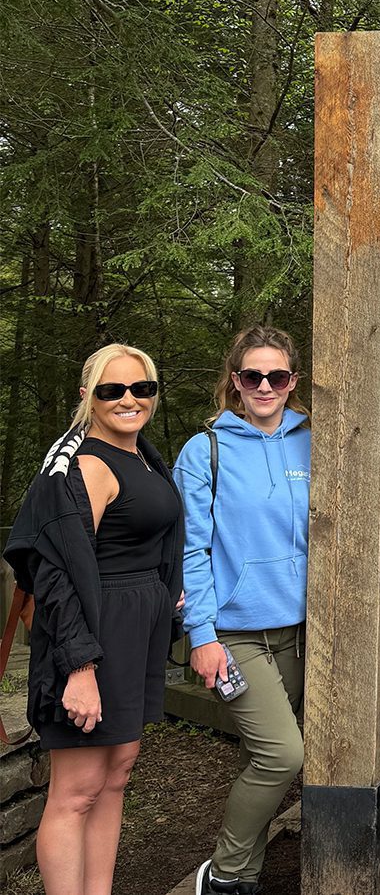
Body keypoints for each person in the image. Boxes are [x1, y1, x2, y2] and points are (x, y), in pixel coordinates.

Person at [4, 343, 184, 895]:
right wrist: (79, 667)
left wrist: (163, 592)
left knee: (116, 777)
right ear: (89, 397)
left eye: (142, 388)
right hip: (91, 637)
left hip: (135, 632)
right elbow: (55, 571)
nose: (129, 399)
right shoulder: (86, 465)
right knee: (76, 791)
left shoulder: (142, 457)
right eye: (112, 390)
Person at [175, 326, 311, 895]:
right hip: (233, 633)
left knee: (263, 757)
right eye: (251, 375)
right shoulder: (204, 449)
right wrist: (201, 634)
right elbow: (192, 549)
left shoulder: (314, 440)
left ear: (292, 381)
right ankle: (225, 875)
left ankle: (248, 876)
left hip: (304, 631)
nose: (264, 385)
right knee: (284, 755)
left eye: (276, 376)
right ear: (235, 381)